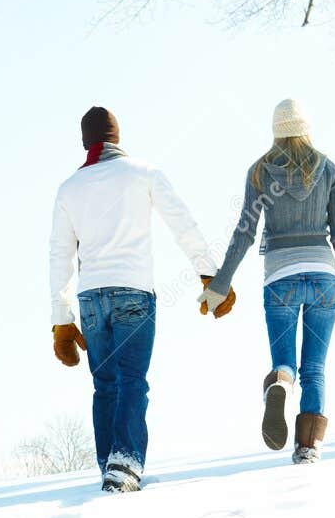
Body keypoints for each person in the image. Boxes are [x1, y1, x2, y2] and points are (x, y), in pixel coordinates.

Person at [49, 106, 235, 493]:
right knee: (132, 380)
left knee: (105, 384)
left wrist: (61, 319)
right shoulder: (144, 173)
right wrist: (209, 273)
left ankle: (110, 464)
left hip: (90, 298)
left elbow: (59, 255)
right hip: (133, 290)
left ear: (86, 142)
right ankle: (124, 463)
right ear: (117, 137)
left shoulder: (68, 189)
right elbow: (182, 222)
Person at [201, 99, 335, 465]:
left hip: (280, 278)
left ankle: (280, 384)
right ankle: (307, 448)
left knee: (286, 363)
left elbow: (245, 231)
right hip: (324, 278)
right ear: (306, 129)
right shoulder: (328, 169)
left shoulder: (260, 172)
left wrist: (221, 282)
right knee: (315, 367)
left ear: (276, 132)